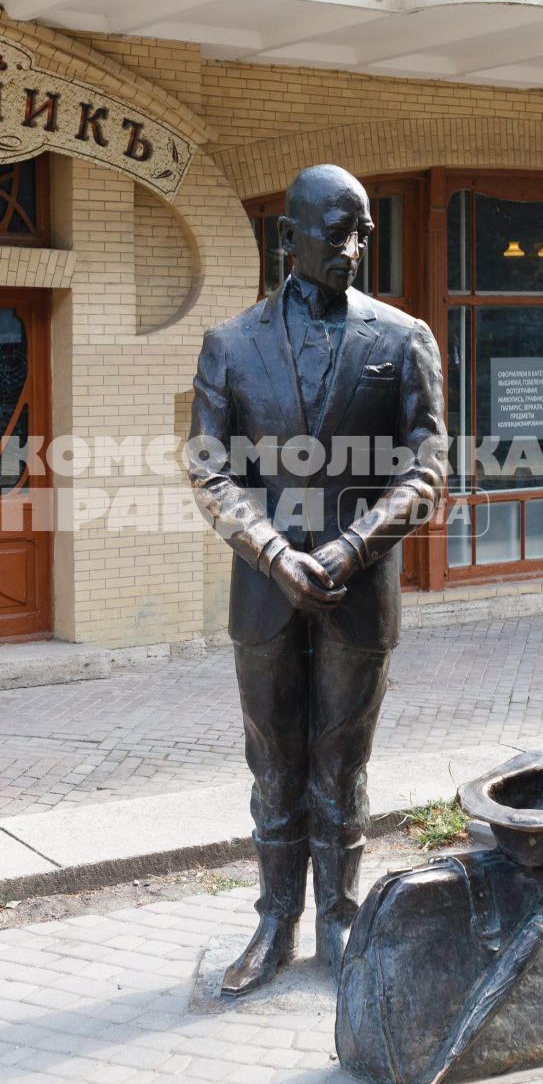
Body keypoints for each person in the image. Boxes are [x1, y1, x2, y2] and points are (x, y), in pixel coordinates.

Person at [187, 163, 447, 994]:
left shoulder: (403, 338)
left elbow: (428, 468)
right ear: (287, 238)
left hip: (357, 590)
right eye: (338, 231)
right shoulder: (229, 345)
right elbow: (209, 471)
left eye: (364, 230)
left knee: (341, 760)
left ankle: (339, 920)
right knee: (273, 761)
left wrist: (349, 549)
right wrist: (273, 551)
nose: (355, 247)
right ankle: (275, 921)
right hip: (265, 591)